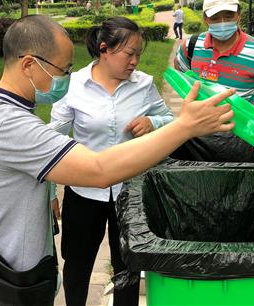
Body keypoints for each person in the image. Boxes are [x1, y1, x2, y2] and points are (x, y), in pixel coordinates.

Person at [0, 15, 235, 302]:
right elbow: (100, 170)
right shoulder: (13, 126)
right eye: (63, 69)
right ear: (28, 64)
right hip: (9, 283)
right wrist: (184, 127)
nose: (66, 77)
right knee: (78, 262)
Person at [50, 17, 173, 306]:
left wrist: (153, 121)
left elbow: (170, 119)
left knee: (127, 265)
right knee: (77, 263)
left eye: (139, 54)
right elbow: (51, 140)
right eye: (129, 54)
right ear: (104, 49)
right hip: (83, 191)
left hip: (130, 193)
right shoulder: (75, 85)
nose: (135, 61)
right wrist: (48, 190)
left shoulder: (143, 84)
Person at [174, 0, 254, 121]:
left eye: (228, 15)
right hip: (198, 129)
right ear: (205, 19)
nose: (222, 22)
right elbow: (180, 69)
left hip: (240, 136)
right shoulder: (191, 45)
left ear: (239, 15)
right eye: (215, 17)